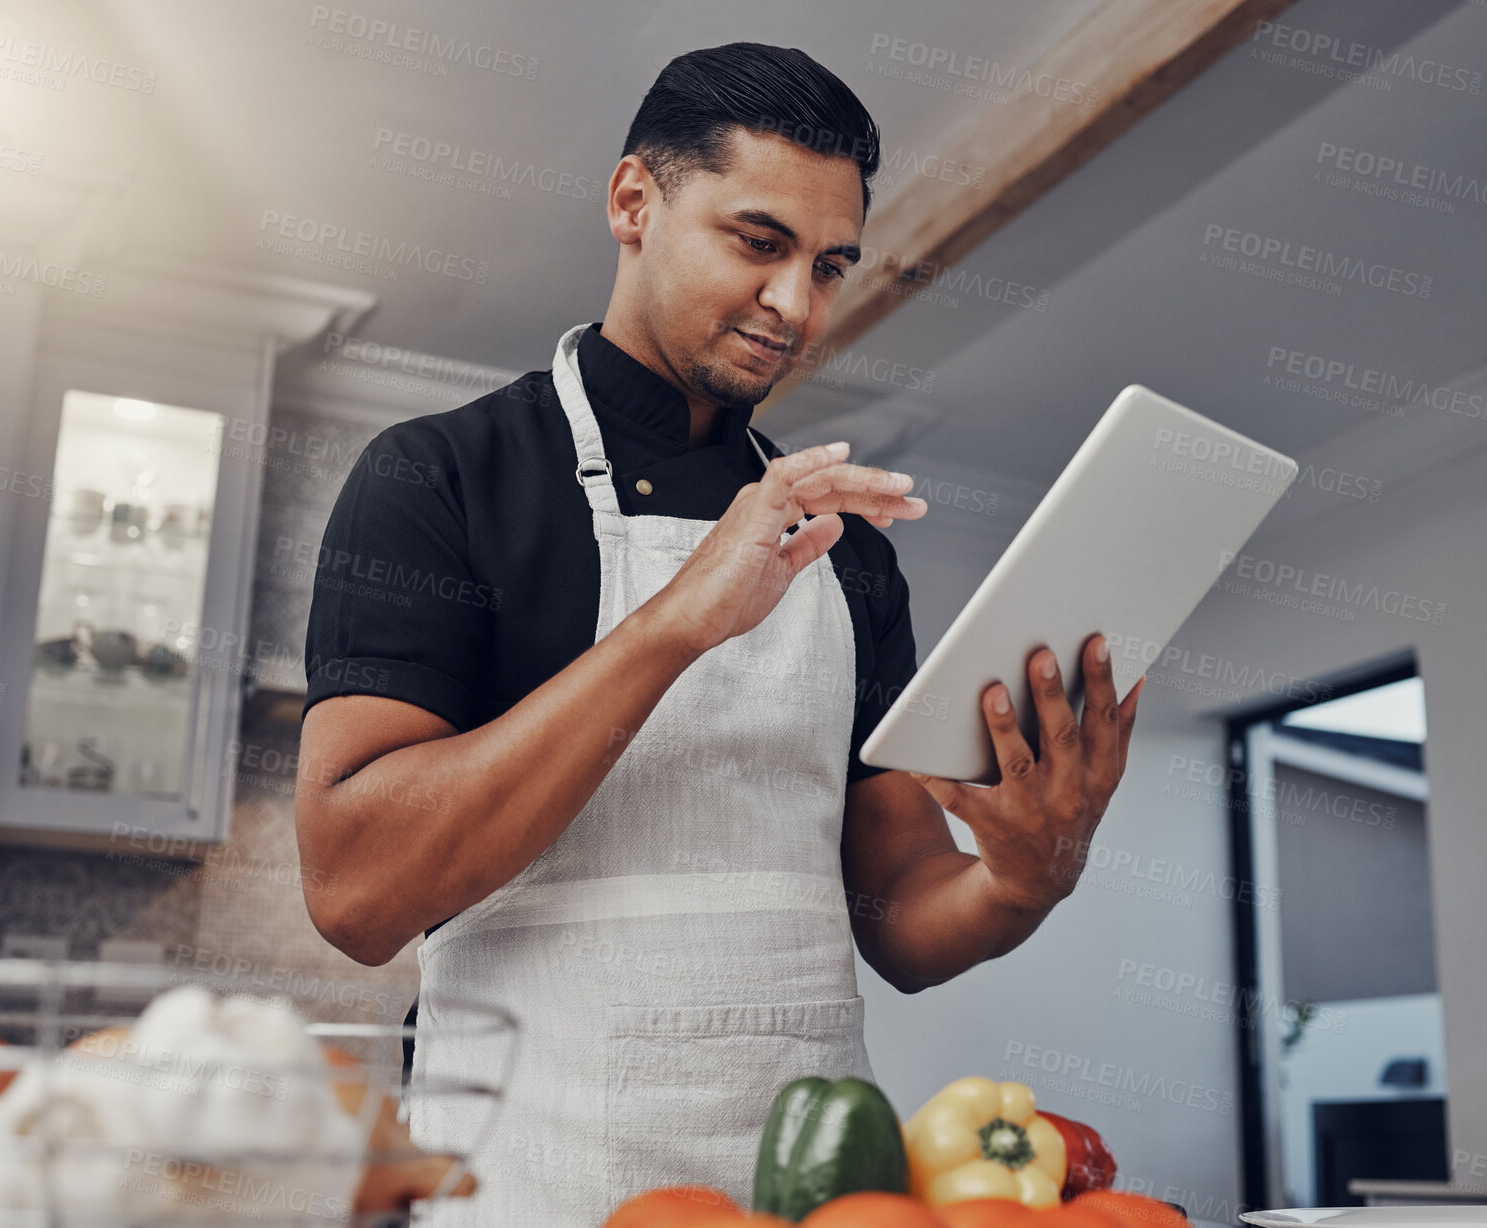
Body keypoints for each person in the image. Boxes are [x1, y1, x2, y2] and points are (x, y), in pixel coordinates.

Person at [295, 41, 1143, 1226]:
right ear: (631, 202)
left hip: (809, 1197)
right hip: (525, 1185)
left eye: (830, 264)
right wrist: (677, 624)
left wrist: (1021, 878)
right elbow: (355, 892)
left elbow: (895, 910)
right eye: (758, 242)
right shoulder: (437, 478)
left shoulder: (850, 553)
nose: (795, 305)